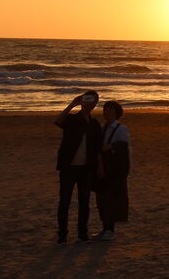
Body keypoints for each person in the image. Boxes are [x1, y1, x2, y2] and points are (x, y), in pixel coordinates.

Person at [54, 91, 102, 244]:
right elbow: (58, 121)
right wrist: (72, 104)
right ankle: (62, 235)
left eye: (92, 100)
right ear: (82, 101)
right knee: (64, 201)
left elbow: (98, 148)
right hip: (68, 167)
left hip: (86, 168)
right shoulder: (72, 119)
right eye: (86, 99)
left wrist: (99, 167)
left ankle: (82, 233)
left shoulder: (94, 124)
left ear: (95, 104)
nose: (89, 102)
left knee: (84, 202)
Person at [95, 101, 130, 241]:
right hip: (102, 167)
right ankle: (105, 228)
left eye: (110, 110)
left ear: (117, 112)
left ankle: (110, 230)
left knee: (112, 199)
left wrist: (110, 147)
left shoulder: (121, 129)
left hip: (115, 169)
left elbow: (124, 146)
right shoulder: (102, 128)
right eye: (105, 109)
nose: (107, 112)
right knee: (101, 199)